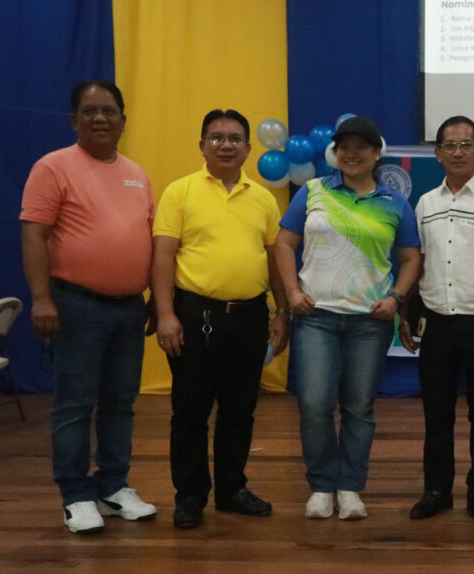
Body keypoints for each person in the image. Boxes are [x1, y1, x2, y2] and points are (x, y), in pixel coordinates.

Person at [20, 80, 157, 534]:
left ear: (123, 120)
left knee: (120, 403)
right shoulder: (53, 167)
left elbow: (149, 239)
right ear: (73, 120)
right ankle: (76, 494)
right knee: (75, 404)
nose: (100, 118)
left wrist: (157, 300)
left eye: (109, 111)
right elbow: (34, 234)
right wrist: (42, 298)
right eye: (90, 111)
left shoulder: (137, 174)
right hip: (76, 305)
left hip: (130, 309)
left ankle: (113, 486)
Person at [274, 116, 422, 520]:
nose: (351, 154)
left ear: (376, 153)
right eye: (344, 147)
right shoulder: (313, 191)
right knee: (315, 404)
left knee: (358, 408)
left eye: (361, 147)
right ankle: (322, 485)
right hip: (315, 318)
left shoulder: (395, 203)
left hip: (370, 323)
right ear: (335, 153)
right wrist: (292, 293)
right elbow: (284, 244)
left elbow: (411, 259)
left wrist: (396, 298)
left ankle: (351, 487)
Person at [151, 109, 288, 529]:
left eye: (234, 138)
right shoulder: (180, 191)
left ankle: (232, 490)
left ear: (248, 148)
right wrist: (165, 315)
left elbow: (274, 260)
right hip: (194, 316)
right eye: (216, 137)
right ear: (202, 145)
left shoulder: (263, 198)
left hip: (250, 318)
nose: (225, 145)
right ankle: (190, 495)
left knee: (240, 410)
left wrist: (282, 313)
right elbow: (163, 256)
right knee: (190, 412)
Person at [400, 116, 474, 523]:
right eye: (449, 146)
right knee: (436, 413)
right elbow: (417, 263)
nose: (457, 152)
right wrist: (406, 313)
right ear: (437, 153)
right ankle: (436, 490)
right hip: (436, 323)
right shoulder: (425, 204)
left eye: (466, 145)